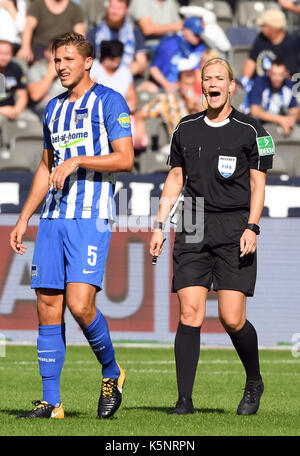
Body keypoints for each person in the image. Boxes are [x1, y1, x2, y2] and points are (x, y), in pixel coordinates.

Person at [9, 32, 134, 419]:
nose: (60, 66)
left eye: (67, 59)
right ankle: (52, 402)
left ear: (87, 61)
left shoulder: (110, 101)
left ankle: (112, 372)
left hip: (90, 217)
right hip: (52, 218)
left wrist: (79, 160)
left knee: (80, 306)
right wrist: (24, 216)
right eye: (56, 60)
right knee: (48, 305)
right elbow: (46, 166)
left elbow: (125, 158)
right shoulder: (53, 109)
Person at [150, 58, 274, 416]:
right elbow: (175, 179)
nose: (213, 84)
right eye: (207, 79)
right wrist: (159, 224)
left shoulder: (253, 131)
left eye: (220, 78)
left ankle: (254, 380)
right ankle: (184, 401)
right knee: (190, 312)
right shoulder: (185, 127)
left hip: (235, 224)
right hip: (191, 221)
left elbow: (257, 184)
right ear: (200, 86)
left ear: (232, 86)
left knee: (231, 317)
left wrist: (252, 227)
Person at [133, 69, 204, 149]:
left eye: (191, 85)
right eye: (186, 84)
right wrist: (140, 124)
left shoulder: (200, 100)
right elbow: (140, 113)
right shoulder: (167, 99)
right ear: (179, 83)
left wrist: (198, 108)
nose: (189, 88)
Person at [88, 0, 147, 79]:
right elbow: (87, 61)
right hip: (100, 78)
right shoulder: (94, 32)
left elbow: (142, 63)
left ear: (126, 10)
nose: (115, 12)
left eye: (119, 8)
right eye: (112, 7)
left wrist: (136, 67)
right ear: (107, 8)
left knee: (150, 88)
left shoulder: (134, 33)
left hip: (128, 78)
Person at [149, 16, 206, 93]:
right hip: (167, 87)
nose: (198, 38)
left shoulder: (200, 47)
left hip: (191, 87)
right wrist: (166, 84)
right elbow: (154, 69)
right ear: (185, 30)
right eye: (195, 34)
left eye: (199, 35)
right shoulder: (170, 44)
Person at [17, 0, 86, 63]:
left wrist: (80, 53)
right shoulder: (38, 5)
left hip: (64, 49)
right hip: (40, 48)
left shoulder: (75, 8)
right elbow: (28, 27)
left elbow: (80, 33)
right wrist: (25, 47)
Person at [250, 58, 299, 136]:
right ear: (268, 73)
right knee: (253, 122)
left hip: (281, 115)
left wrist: (291, 120)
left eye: (280, 74)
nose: (277, 78)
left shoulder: (289, 85)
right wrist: (280, 119)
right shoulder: (260, 82)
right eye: (274, 74)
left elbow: (294, 110)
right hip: (263, 118)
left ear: (286, 74)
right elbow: (255, 111)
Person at [90, 40, 137, 114]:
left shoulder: (125, 72)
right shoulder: (93, 68)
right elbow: (90, 95)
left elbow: (132, 99)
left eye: (118, 61)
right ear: (104, 57)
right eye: (112, 60)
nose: (115, 65)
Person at [27, 45, 64, 122]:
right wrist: (50, 74)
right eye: (54, 52)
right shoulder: (36, 69)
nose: (57, 56)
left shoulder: (71, 69)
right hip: (43, 110)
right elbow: (35, 96)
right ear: (46, 53)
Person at [0, 39, 27, 125]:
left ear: (12, 54)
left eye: (7, 53)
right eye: (1, 53)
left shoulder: (16, 69)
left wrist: (16, 111)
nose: (4, 57)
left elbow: (22, 95)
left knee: (30, 121)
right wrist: (2, 110)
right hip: (4, 110)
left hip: (12, 109)